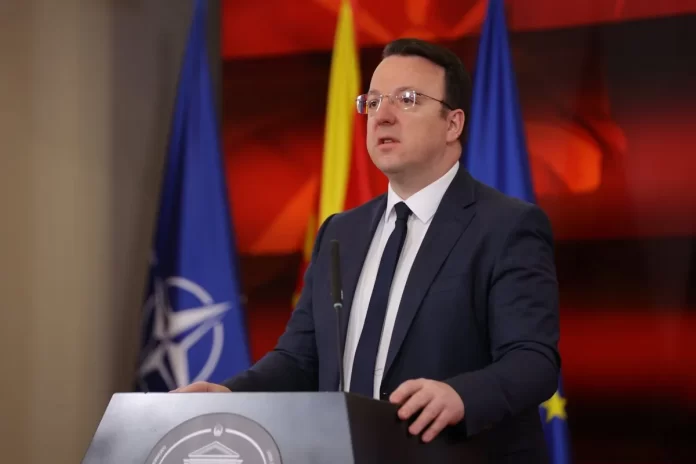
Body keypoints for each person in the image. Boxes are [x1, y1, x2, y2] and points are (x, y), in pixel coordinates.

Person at [173, 38, 560, 461]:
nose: (383, 116)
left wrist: (461, 395)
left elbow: (533, 360)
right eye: (373, 102)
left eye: (407, 100)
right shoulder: (341, 232)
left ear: (453, 124)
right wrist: (230, 395)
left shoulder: (506, 227)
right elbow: (301, 358)